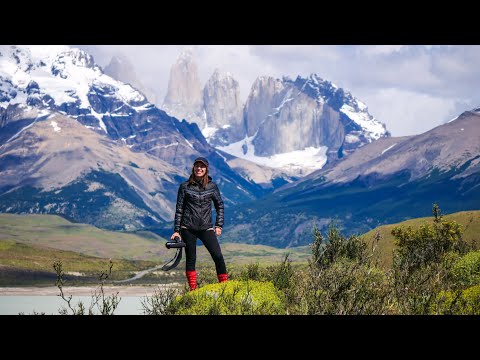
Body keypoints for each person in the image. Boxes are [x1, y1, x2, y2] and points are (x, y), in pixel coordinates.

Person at [171, 156, 228, 291]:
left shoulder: (212, 187)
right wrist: (177, 230)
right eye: (197, 166)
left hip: (206, 227)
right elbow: (179, 209)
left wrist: (218, 225)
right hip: (187, 227)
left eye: (202, 167)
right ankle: (193, 291)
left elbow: (220, 205)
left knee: (218, 256)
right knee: (191, 259)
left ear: (206, 169)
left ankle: (226, 288)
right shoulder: (184, 187)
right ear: (193, 168)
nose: (199, 168)